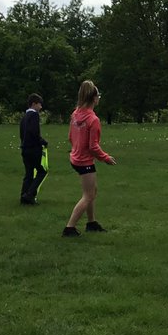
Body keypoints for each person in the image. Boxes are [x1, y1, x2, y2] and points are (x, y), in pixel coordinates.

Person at [63, 80, 116, 236]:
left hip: (75, 158)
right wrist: (105, 158)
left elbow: (70, 137)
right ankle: (69, 228)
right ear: (94, 98)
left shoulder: (75, 114)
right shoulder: (93, 120)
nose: (99, 98)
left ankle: (91, 223)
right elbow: (93, 147)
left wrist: (77, 149)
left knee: (92, 191)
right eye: (98, 95)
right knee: (88, 195)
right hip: (84, 161)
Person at [19, 93, 48, 205]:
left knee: (29, 173)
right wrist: (42, 142)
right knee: (41, 172)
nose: (41, 107)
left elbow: (23, 133)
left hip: (25, 148)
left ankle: (23, 196)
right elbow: (34, 132)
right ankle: (30, 194)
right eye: (39, 104)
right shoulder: (34, 115)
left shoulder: (24, 117)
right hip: (33, 149)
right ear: (34, 104)